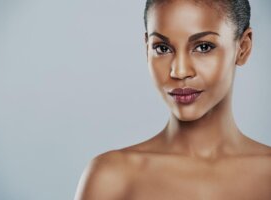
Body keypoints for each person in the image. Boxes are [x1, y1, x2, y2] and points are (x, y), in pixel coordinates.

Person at [74, 0, 271, 199]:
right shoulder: (112, 177)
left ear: (243, 48)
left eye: (203, 47)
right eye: (162, 49)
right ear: (146, 49)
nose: (179, 71)